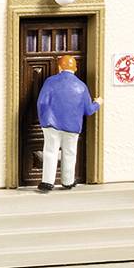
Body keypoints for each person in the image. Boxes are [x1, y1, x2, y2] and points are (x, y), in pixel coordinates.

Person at [33, 54, 100, 193]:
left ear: (59, 67)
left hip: (51, 125)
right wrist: (98, 103)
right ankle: (68, 181)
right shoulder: (81, 86)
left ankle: (47, 182)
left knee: (50, 151)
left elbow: (42, 102)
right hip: (72, 127)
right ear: (75, 68)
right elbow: (88, 110)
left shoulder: (50, 82)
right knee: (70, 153)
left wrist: (44, 121)